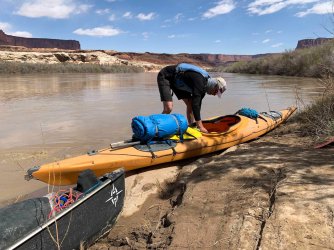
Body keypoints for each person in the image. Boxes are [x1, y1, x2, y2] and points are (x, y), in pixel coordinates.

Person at [157, 63, 227, 133]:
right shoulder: (200, 81)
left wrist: (196, 125)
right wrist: (200, 126)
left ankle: (191, 126)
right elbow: (195, 105)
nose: (215, 95)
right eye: (216, 92)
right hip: (166, 76)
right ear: (214, 85)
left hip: (177, 81)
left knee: (190, 103)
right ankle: (157, 127)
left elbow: (197, 105)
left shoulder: (204, 87)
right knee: (168, 108)